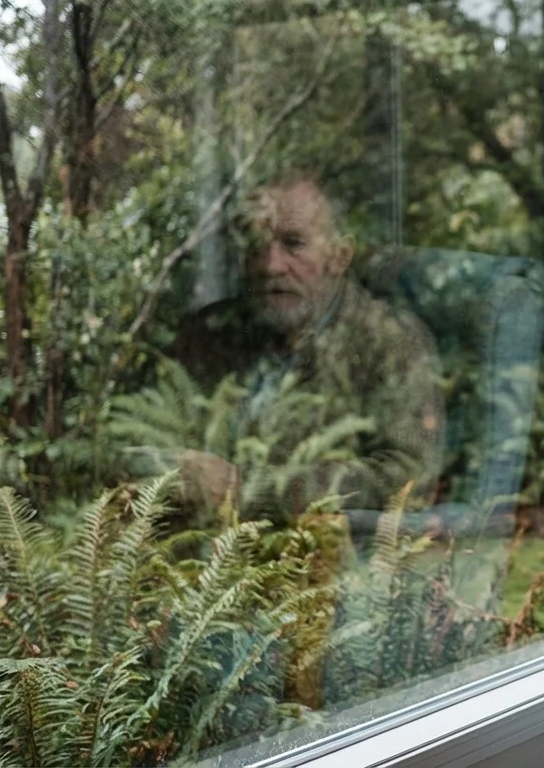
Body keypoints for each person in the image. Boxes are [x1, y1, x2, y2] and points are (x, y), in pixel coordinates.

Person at [169, 173, 444, 519]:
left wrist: (251, 491)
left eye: (293, 244)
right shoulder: (210, 332)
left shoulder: (390, 340)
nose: (272, 266)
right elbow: (132, 430)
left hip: (326, 560)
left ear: (340, 256)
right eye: (257, 246)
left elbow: (409, 476)